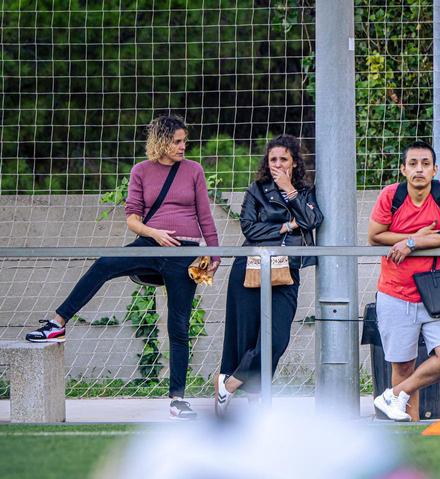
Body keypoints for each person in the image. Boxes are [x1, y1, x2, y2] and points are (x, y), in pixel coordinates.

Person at [25, 114, 219, 420]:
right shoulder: (141, 171)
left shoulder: (194, 170)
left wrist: (214, 257)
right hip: (151, 245)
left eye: (185, 141)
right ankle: (57, 324)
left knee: (178, 326)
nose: (183, 146)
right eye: (177, 141)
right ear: (161, 141)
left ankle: (178, 399)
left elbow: (205, 217)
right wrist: (154, 233)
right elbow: (132, 218)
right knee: (104, 264)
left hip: (186, 253)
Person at [215, 135, 323, 415]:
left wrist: (289, 190)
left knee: (277, 338)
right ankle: (255, 400)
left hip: (287, 269)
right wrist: (287, 226)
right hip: (250, 267)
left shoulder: (305, 191)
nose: (277, 164)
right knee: (247, 336)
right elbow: (250, 230)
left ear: (294, 162)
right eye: (273, 159)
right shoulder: (256, 190)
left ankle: (230, 384)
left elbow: (312, 221)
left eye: (283, 159)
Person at [367, 141, 440, 422]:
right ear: (403, 169)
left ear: (435, 169)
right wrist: (413, 238)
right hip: (395, 292)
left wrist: (412, 242)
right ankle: (408, 425)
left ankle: (391, 395)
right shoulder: (391, 196)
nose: (419, 169)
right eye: (412, 164)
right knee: (404, 364)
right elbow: (374, 235)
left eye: (425, 163)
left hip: (437, 293)